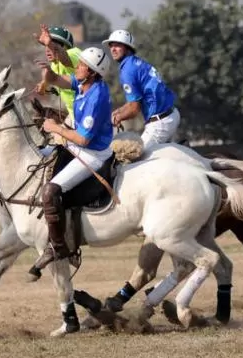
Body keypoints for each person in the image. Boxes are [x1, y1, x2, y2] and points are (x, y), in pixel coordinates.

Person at [32, 46, 114, 271]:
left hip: (92, 154)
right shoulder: (85, 84)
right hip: (75, 147)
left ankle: (58, 248)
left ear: (92, 72)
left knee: (50, 191)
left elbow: (83, 139)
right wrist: (49, 76)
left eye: (81, 65)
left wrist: (55, 128)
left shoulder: (96, 96)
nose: (77, 67)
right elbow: (62, 81)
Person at [102, 29, 181, 147]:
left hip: (160, 123)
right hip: (171, 114)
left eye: (117, 45)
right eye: (111, 45)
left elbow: (134, 109)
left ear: (127, 47)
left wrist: (118, 118)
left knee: (135, 157)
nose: (113, 49)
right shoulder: (135, 62)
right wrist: (119, 111)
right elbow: (135, 101)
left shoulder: (128, 70)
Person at [34, 24, 82, 123]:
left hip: (88, 117)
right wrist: (43, 86)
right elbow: (50, 80)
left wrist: (51, 44)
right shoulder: (54, 65)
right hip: (75, 119)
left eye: (51, 45)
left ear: (64, 46)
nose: (47, 49)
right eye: (45, 46)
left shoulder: (74, 53)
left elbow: (65, 58)